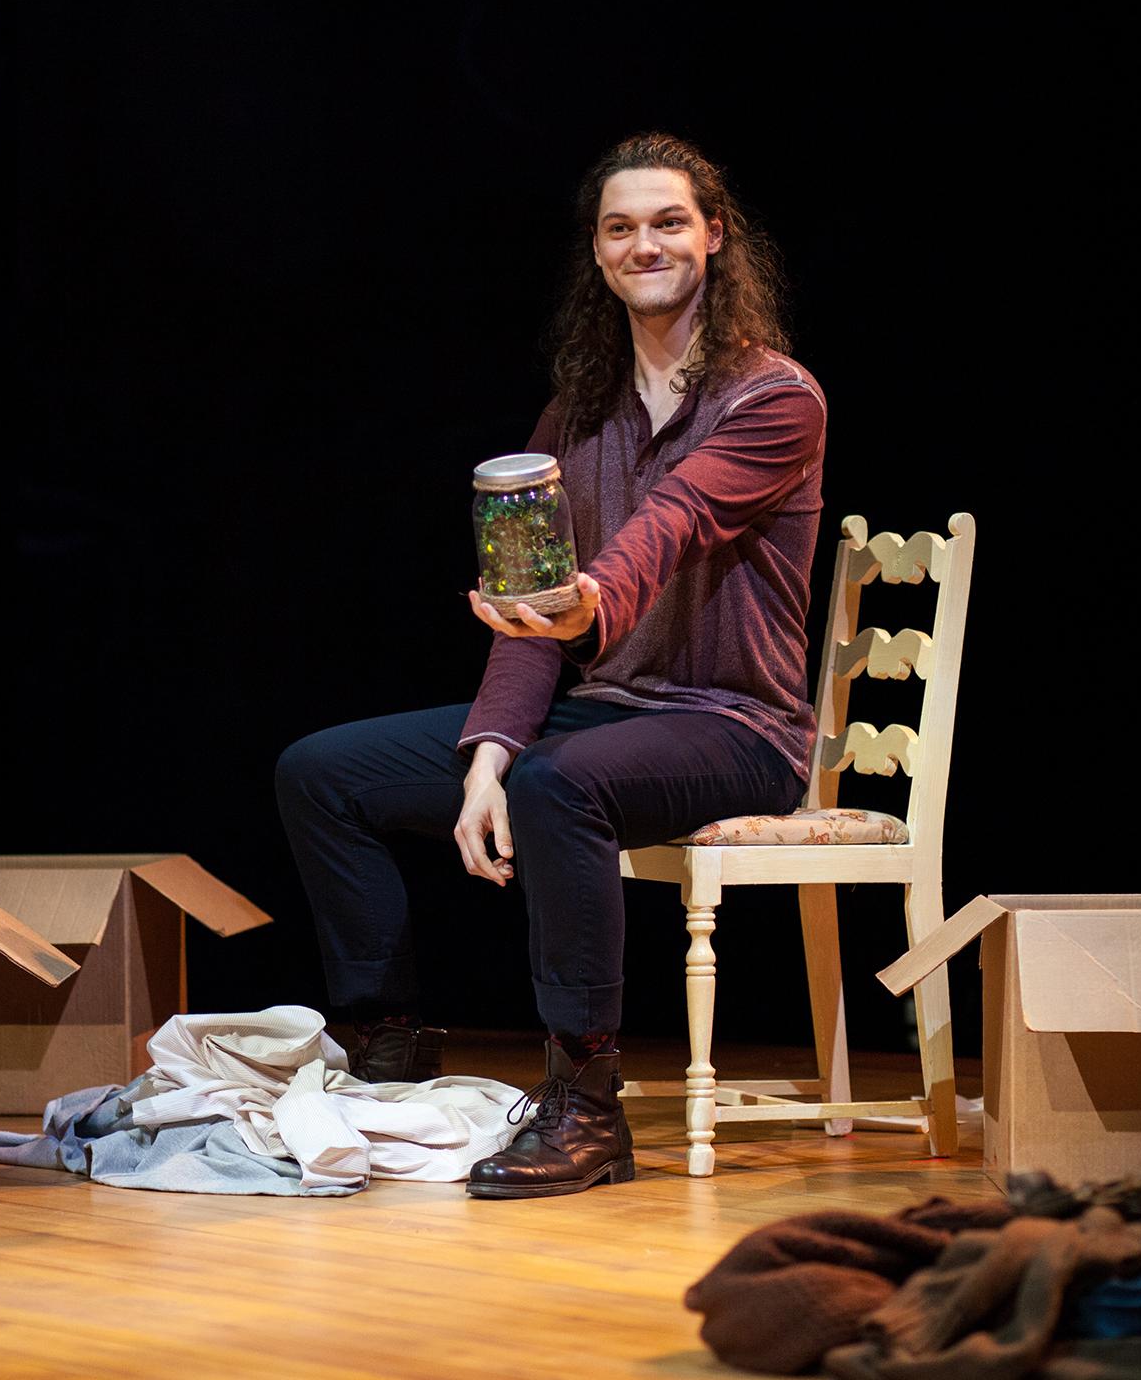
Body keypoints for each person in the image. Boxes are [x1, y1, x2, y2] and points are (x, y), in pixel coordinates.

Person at [275, 132, 826, 1199]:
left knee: (557, 780)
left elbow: (670, 520)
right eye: (619, 227)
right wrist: (484, 751)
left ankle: (584, 1106)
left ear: (714, 236)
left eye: (668, 221)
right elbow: (528, 620)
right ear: (597, 250)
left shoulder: (773, 397)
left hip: (735, 729)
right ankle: (384, 1043)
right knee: (323, 770)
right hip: (609, 712)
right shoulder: (575, 418)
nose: (644, 243)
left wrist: (589, 603)